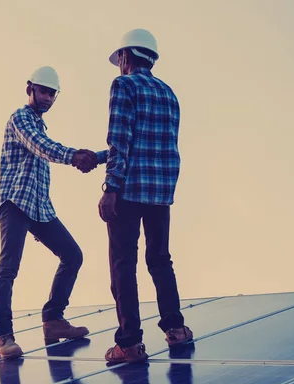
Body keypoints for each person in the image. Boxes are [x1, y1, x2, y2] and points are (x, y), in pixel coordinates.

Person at [97, 29, 193, 363]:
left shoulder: (123, 86)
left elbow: (120, 140)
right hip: (160, 192)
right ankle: (175, 328)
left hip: (128, 190)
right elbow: (163, 144)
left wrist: (110, 188)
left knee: (123, 264)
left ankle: (129, 343)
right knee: (160, 259)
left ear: (125, 57)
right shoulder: (169, 93)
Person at [0, 66, 97, 359]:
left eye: (53, 94)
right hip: (15, 202)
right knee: (9, 266)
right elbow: (42, 148)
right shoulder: (21, 118)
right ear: (30, 89)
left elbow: (45, 154)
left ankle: (53, 320)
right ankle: (2, 336)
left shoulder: (39, 123)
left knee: (72, 255)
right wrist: (75, 155)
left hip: (39, 207)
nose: (49, 98)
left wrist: (96, 156)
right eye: (44, 91)